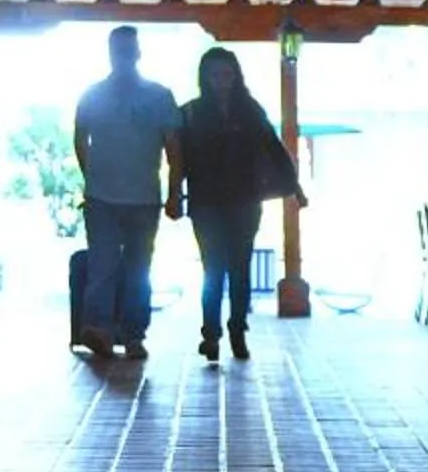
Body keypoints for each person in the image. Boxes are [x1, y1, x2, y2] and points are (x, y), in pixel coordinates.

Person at [172, 47, 299, 362]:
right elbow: (178, 159)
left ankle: (237, 330)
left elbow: (273, 146)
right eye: (214, 75)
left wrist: (293, 185)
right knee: (212, 269)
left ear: (236, 76)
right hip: (205, 202)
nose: (221, 81)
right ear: (205, 78)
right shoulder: (190, 113)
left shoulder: (250, 110)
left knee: (240, 269)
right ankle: (211, 335)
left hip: (244, 201)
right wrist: (174, 193)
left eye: (227, 74)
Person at [71, 25, 181, 359]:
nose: (123, 56)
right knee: (102, 267)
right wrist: (92, 178)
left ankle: (134, 335)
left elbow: (174, 148)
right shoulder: (91, 95)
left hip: (144, 199)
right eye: (117, 49)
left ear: (137, 53)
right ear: (110, 53)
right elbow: (79, 138)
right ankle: (99, 329)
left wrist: (176, 192)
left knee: (138, 271)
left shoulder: (159, 96)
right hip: (101, 198)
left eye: (127, 49)